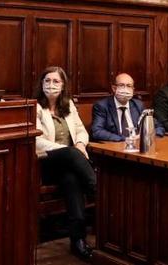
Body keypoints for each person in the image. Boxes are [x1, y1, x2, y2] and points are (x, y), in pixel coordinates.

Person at [34, 66, 96, 261]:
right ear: (41, 84)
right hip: (45, 162)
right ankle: (97, 189)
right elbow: (36, 141)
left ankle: (78, 240)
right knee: (70, 154)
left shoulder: (68, 106)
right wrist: (68, 151)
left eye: (56, 81)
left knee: (71, 181)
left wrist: (79, 144)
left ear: (63, 86)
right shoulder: (35, 107)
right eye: (47, 81)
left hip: (70, 165)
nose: (51, 85)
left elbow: (81, 131)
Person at [90, 72, 165, 141]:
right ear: (114, 88)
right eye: (121, 85)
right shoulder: (102, 106)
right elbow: (97, 131)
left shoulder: (138, 105)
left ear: (133, 90)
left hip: (138, 146)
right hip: (116, 147)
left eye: (129, 86)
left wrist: (148, 136)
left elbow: (158, 127)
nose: (125, 89)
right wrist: (126, 139)